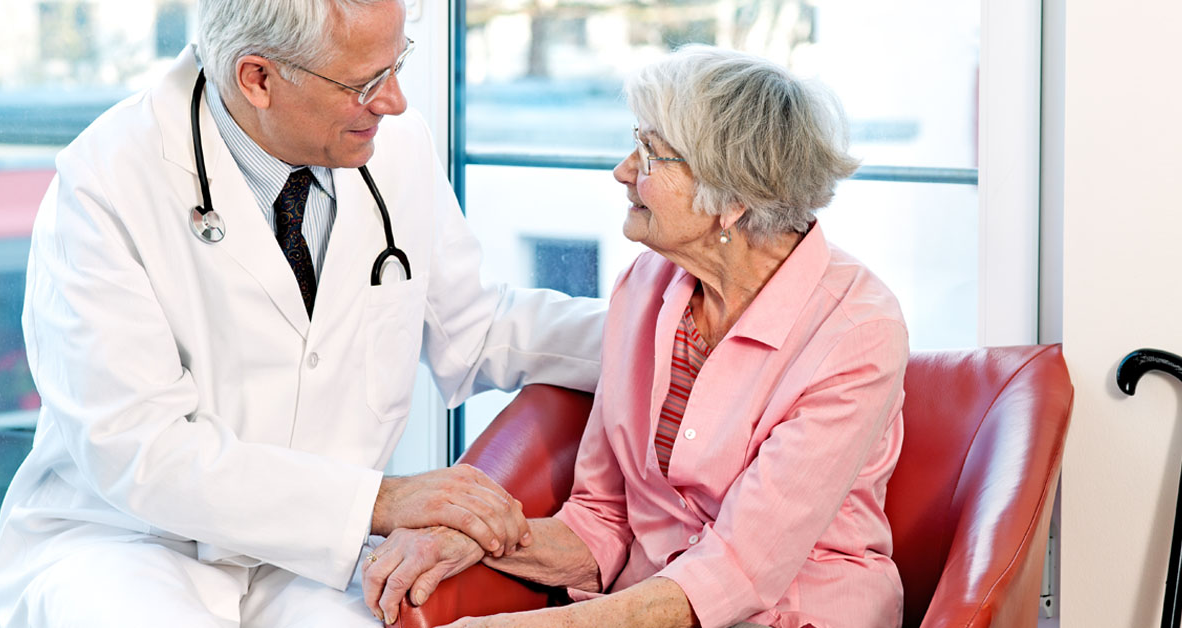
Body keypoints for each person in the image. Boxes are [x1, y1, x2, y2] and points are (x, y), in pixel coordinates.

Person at [0, 0, 604, 626]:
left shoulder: (393, 146)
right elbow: (139, 452)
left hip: (313, 556)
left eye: (399, 65)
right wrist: (381, 500)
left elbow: (475, 329)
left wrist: (663, 335)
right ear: (258, 78)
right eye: (366, 82)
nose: (394, 101)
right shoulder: (106, 181)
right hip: (131, 542)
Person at [362, 46, 908, 628]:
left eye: (650, 154)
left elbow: (736, 572)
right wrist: (469, 535)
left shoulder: (857, 333)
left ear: (731, 199)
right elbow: (599, 521)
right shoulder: (646, 285)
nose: (624, 171)